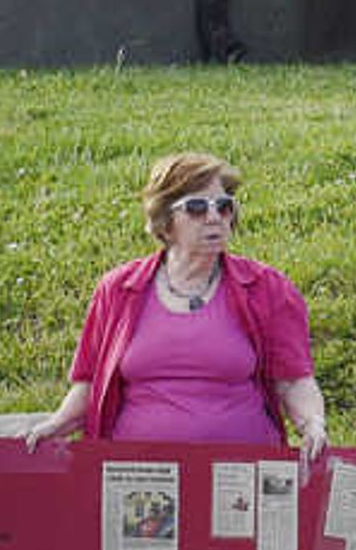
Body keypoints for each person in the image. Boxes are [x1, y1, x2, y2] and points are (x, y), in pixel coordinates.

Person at [32, 152, 326, 453]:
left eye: (224, 207)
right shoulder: (117, 289)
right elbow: (91, 385)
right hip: (136, 477)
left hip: (238, 475)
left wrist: (312, 423)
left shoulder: (268, 288)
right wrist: (58, 423)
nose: (214, 218)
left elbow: (293, 382)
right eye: (196, 208)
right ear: (165, 222)